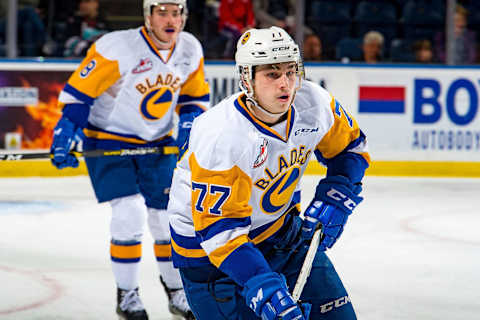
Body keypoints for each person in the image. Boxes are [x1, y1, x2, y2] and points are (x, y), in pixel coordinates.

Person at [168, 26, 370, 319]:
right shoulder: (223, 135)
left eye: (291, 71)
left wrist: (338, 193)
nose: (285, 84)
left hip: (282, 235)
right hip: (214, 261)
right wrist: (262, 285)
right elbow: (219, 232)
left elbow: (352, 148)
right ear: (246, 79)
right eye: (272, 74)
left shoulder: (314, 102)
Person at [49, 0, 210, 319]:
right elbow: (81, 94)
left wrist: (189, 125)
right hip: (108, 140)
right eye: (162, 12)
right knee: (129, 213)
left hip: (157, 143)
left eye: (176, 13)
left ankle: (176, 291)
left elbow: (193, 97)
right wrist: (67, 131)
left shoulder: (190, 48)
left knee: (167, 221)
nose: (170, 19)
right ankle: (127, 295)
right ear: (148, 16)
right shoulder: (118, 47)